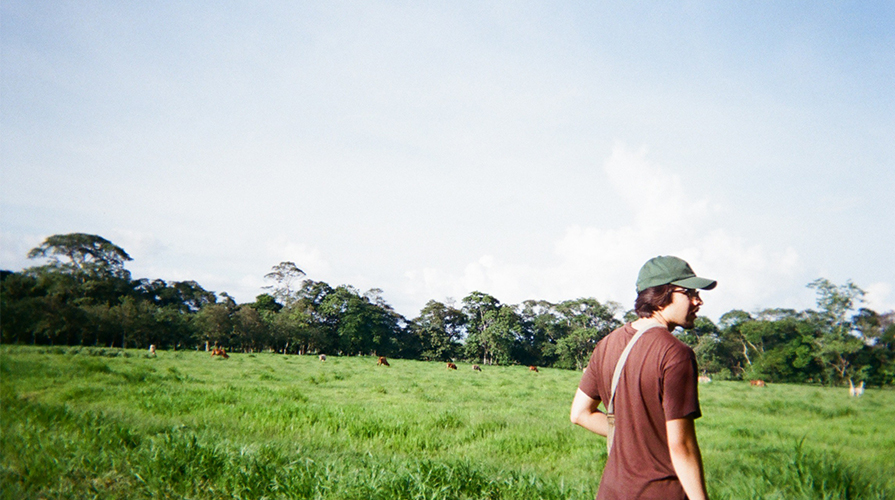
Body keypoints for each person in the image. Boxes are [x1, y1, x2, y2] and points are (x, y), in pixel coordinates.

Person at [570, 255, 715, 500]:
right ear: (662, 294)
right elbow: (681, 446)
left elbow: (580, 414)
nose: (697, 301)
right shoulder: (676, 354)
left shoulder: (606, 344)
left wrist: (632, 436)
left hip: (612, 492)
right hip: (661, 492)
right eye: (689, 292)